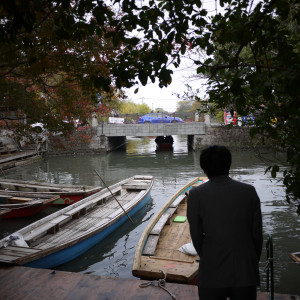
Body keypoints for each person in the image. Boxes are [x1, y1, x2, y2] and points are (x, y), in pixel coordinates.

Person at [187, 145, 263, 300]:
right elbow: (257, 235)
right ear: (229, 164)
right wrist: (251, 260)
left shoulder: (196, 195)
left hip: (212, 271)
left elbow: (196, 236)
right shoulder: (249, 191)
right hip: (245, 270)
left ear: (204, 168)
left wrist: (208, 256)